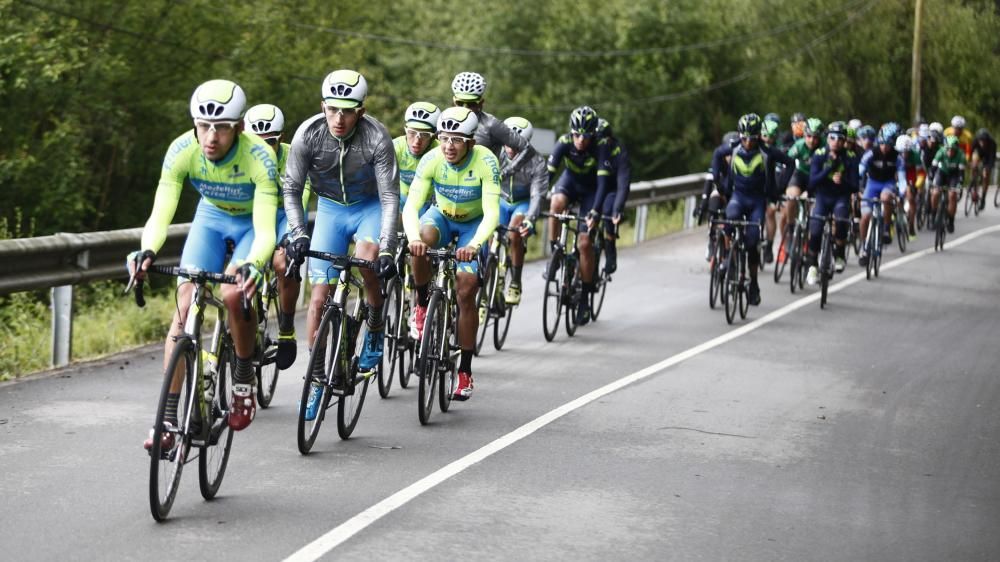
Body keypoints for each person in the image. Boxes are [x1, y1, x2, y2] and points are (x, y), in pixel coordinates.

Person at [129, 79, 279, 442]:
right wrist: (147, 249)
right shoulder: (182, 150)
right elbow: (161, 211)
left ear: (239, 127)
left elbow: (265, 230)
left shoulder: (260, 157)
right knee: (183, 306)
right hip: (210, 220)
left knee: (232, 296)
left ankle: (243, 378)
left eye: (222, 128)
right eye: (203, 126)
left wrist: (254, 264)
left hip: (250, 225)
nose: (211, 137)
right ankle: (167, 420)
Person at [283, 70, 399, 421]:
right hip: (330, 210)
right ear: (323, 107)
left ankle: (376, 324)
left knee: (366, 263)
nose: (339, 118)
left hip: (369, 207)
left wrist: (388, 248)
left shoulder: (378, 138)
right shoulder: (308, 134)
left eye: (347, 111)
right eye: (332, 110)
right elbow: (291, 187)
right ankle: (317, 377)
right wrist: (298, 233)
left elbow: (391, 197)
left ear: (361, 112)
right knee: (318, 298)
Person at [404, 106, 502, 401]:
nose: (448, 146)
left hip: (473, 226)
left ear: (470, 142)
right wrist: (412, 239)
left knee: (466, 289)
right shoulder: (432, 159)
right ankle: (422, 305)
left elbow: (492, 213)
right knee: (422, 239)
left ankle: (465, 370)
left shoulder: (486, 160)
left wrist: (474, 245)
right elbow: (411, 206)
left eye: (457, 140)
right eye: (444, 138)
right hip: (442, 218)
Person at [243, 103, 312, 370]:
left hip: (286, 217)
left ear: (280, 139)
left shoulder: (293, 158)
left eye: (269, 142)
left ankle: (286, 326)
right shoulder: (241, 160)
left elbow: (302, 196)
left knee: (284, 263)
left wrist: (290, 237)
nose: (262, 148)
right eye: (255, 142)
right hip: (256, 218)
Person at [546, 105, 612, 325]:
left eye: (585, 136)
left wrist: (595, 211)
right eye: (576, 135)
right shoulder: (564, 143)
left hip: (593, 191)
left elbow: (603, 185)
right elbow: (549, 175)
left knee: (584, 243)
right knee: (555, 202)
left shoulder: (600, 147)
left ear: (592, 134)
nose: (580, 140)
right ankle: (555, 249)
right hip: (571, 183)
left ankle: (584, 297)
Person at [723, 113, 794, 305]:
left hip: (757, 200)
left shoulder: (767, 152)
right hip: (738, 197)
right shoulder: (734, 148)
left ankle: (753, 283)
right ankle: (728, 260)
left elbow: (790, 162)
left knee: (753, 242)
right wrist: (721, 186)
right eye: (743, 138)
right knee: (729, 221)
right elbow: (716, 155)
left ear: (758, 136)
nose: (747, 142)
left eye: (752, 138)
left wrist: (779, 189)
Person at [497, 116, 547, 304]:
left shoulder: (537, 162)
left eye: (517, 145)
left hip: (522, 203)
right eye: (508, 143)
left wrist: (530, 219)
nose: (511, 149)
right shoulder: (495, 152)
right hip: (499, 199)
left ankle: (515, 282)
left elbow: (537, 196)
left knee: (515, 233)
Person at [806, 121, 858, 284]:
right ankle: (812, 265)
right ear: (827, 139)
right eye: (832, 137)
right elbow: (811, 183)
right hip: (822, 196)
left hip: (840, 197)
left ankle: (840, 253)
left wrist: (842, 181)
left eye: (839, 138)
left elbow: (855, 186)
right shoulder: (820, 154)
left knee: (841, 219)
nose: (835, 141)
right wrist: (828, 169)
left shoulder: (850, 157)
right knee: (815, 228)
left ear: (844, 141)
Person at [857, 123, 906, 265]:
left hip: (888, 184)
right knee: (865, 216)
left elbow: (902, 180)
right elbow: (859, 172)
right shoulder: (870, 153)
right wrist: (854, 188)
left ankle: (885, 227)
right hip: (872, 184)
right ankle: (864, 246)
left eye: (888, 145)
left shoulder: (898, 158)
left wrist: (901, 193)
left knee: (886, 197)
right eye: (882, 143)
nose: (885, 147)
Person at [450, 71, 528, 158]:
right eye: (460, 103)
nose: (465, 108)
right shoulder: (443, 121)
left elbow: (525, 148)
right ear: (454, 101)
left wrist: (507, 170)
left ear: (481, 103)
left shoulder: (492, 124)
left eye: (471, 104)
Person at [780, 117, 824, 256]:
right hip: (800, 175)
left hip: (817, 179)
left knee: (815, 211)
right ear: (804, 135)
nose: (812, 140)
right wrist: (781, 188)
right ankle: (792, 226)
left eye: (815, 137)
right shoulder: (798, 146)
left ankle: (810, 243)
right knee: (792, 197)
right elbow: (786, 164)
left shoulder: (824, 147)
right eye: (808, 136)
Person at [594, 117, 631, 273]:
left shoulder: (619, 152)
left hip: (612, 188)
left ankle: (610, 246)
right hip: (593, 186)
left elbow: (623, 184)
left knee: (608, 210)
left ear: (608, 139)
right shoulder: (589, 148)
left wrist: (618, 209)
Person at [930, 135, 967, 233]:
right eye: (948, 149)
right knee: (935, 193)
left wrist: (960, 184)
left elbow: (961, 174)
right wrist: (931, 179)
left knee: (952, 195)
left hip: (953, 176)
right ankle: (933, 216)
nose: (950, 152)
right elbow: (933, 168)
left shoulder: (961, 155)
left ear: (956, 149)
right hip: (941, 173)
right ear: (945, 148)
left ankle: (951, 220)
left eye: (952, 150)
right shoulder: (940, 152)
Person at [971, 129, 996, 209]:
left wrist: (987, 168)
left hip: (988, 157)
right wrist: (970, 163)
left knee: (986, 175)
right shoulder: (975, 141)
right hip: (978, 153)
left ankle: (983, 198)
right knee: (974, 163)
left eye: (984, 141)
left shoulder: (992, 143)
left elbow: (992, 159)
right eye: (981, 140)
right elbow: (971, 151)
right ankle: (974, 182)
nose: (982, 142)